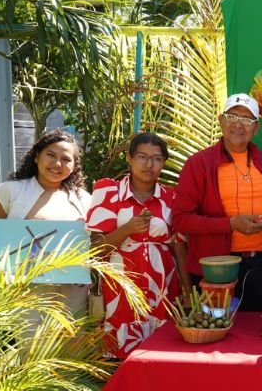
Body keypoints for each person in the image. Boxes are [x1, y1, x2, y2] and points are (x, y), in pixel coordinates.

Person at [173, 93, 262, 312]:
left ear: (256, 128)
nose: (238, 125)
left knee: (252, 335)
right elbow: (181, 220)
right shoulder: (199, 163)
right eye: (232, 117)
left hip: (257, 266)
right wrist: (230, 224)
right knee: (214, 332)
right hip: (215, 267)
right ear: (221, 120)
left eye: (247, 120)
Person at [86, 132, 184, 358]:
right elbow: (95, 251)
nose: (149, 164)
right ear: (129, 158)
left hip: (163, 285)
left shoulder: (171, 197)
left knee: (161, 353)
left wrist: (187, 290)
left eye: (157, 158)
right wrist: (126, 230)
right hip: (120, 285)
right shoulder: (108, 192)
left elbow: (179, 246)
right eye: (142, 157)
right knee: (120, 353)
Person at [0, 128, 91, 316]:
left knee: (73, 345)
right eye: (51, 155)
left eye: (66, 159)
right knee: (31, 345)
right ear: (36, 156)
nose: (57, 164)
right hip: (25, 293)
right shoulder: (9, 192)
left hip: (73, 294)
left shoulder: (85, 200)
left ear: (74, 165)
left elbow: (94, 243)